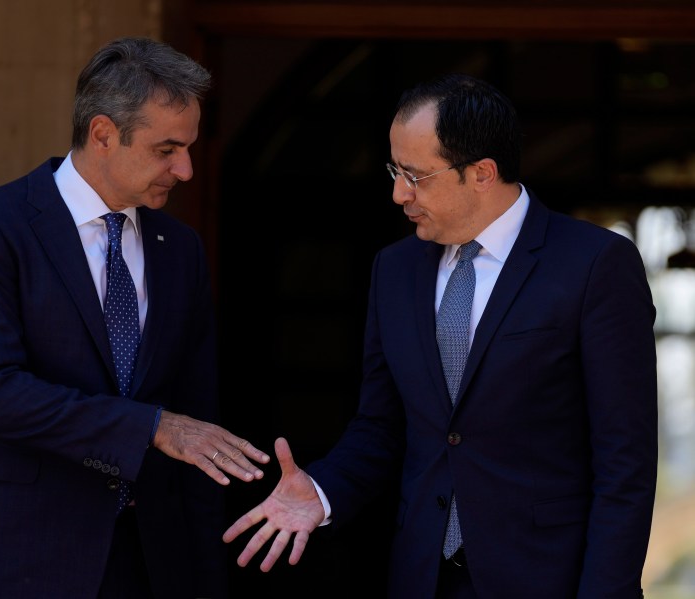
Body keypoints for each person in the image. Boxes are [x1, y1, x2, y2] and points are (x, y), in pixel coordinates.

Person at [223, 73, 658, 598]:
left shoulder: (595, 264)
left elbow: (625, 461)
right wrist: (321, 491)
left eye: (415, 174)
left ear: (481, 173)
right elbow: (381, 426)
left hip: (549, 579)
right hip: (422, 576)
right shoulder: (395, 268)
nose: (397, 192)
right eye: (394, 169)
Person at [0, 36, 269, 599]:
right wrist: (153, 427)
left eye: (188, 148)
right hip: (22, 557)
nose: (186, 169)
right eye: (167, 150)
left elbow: (198, 419)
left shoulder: (179, 248)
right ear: (102, 134)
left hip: (153, 561)